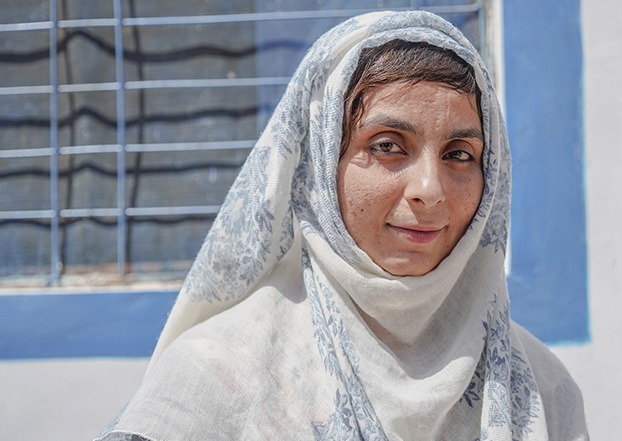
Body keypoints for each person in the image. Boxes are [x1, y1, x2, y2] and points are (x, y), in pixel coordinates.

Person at [97, 10, 587, 441]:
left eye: (460, 155)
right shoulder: (215, 377)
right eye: (388, 145)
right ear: (320, 165)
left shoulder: (541, 390)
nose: (430, 189)